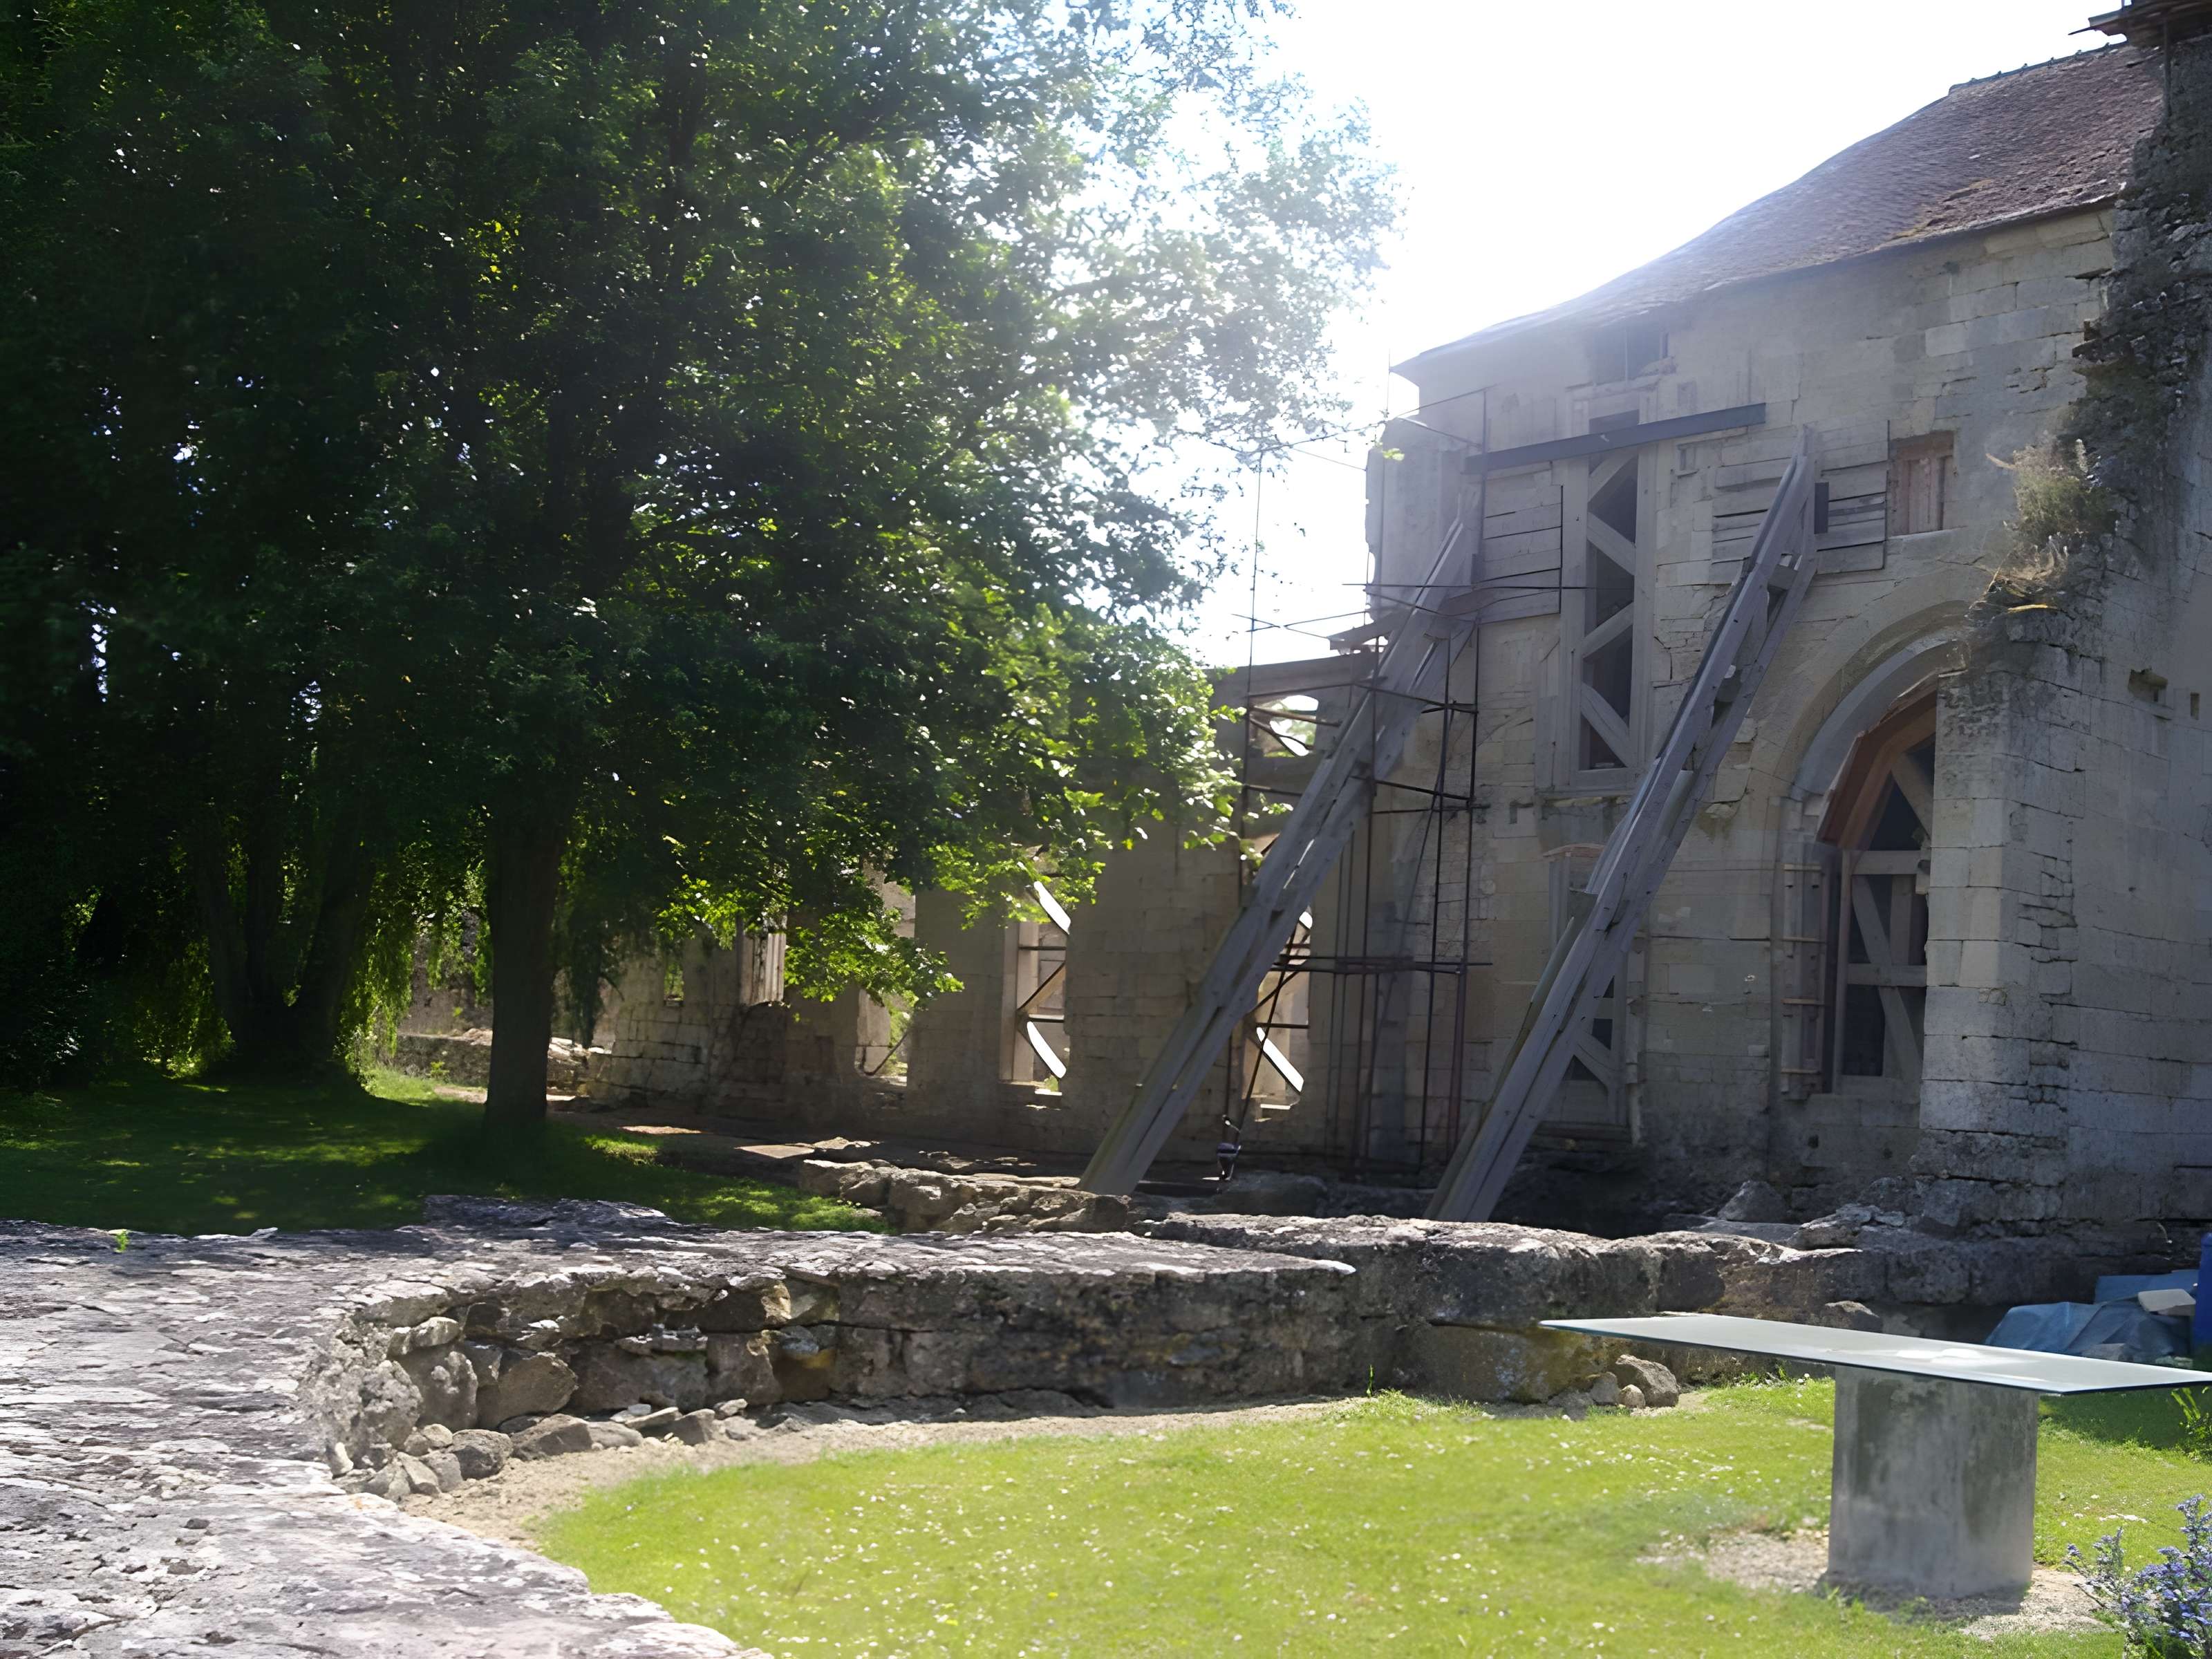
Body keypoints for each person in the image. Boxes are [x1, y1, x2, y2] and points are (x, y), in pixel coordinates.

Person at [1215, 1118, 1243, 1185]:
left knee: (1225, 1163)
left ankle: (1225, 1175)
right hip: (1228, 1151)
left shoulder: (1233, 1130)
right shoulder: (1234, 1130)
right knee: (1230, 1163)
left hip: (1224, 1151)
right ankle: (1227, 1175)